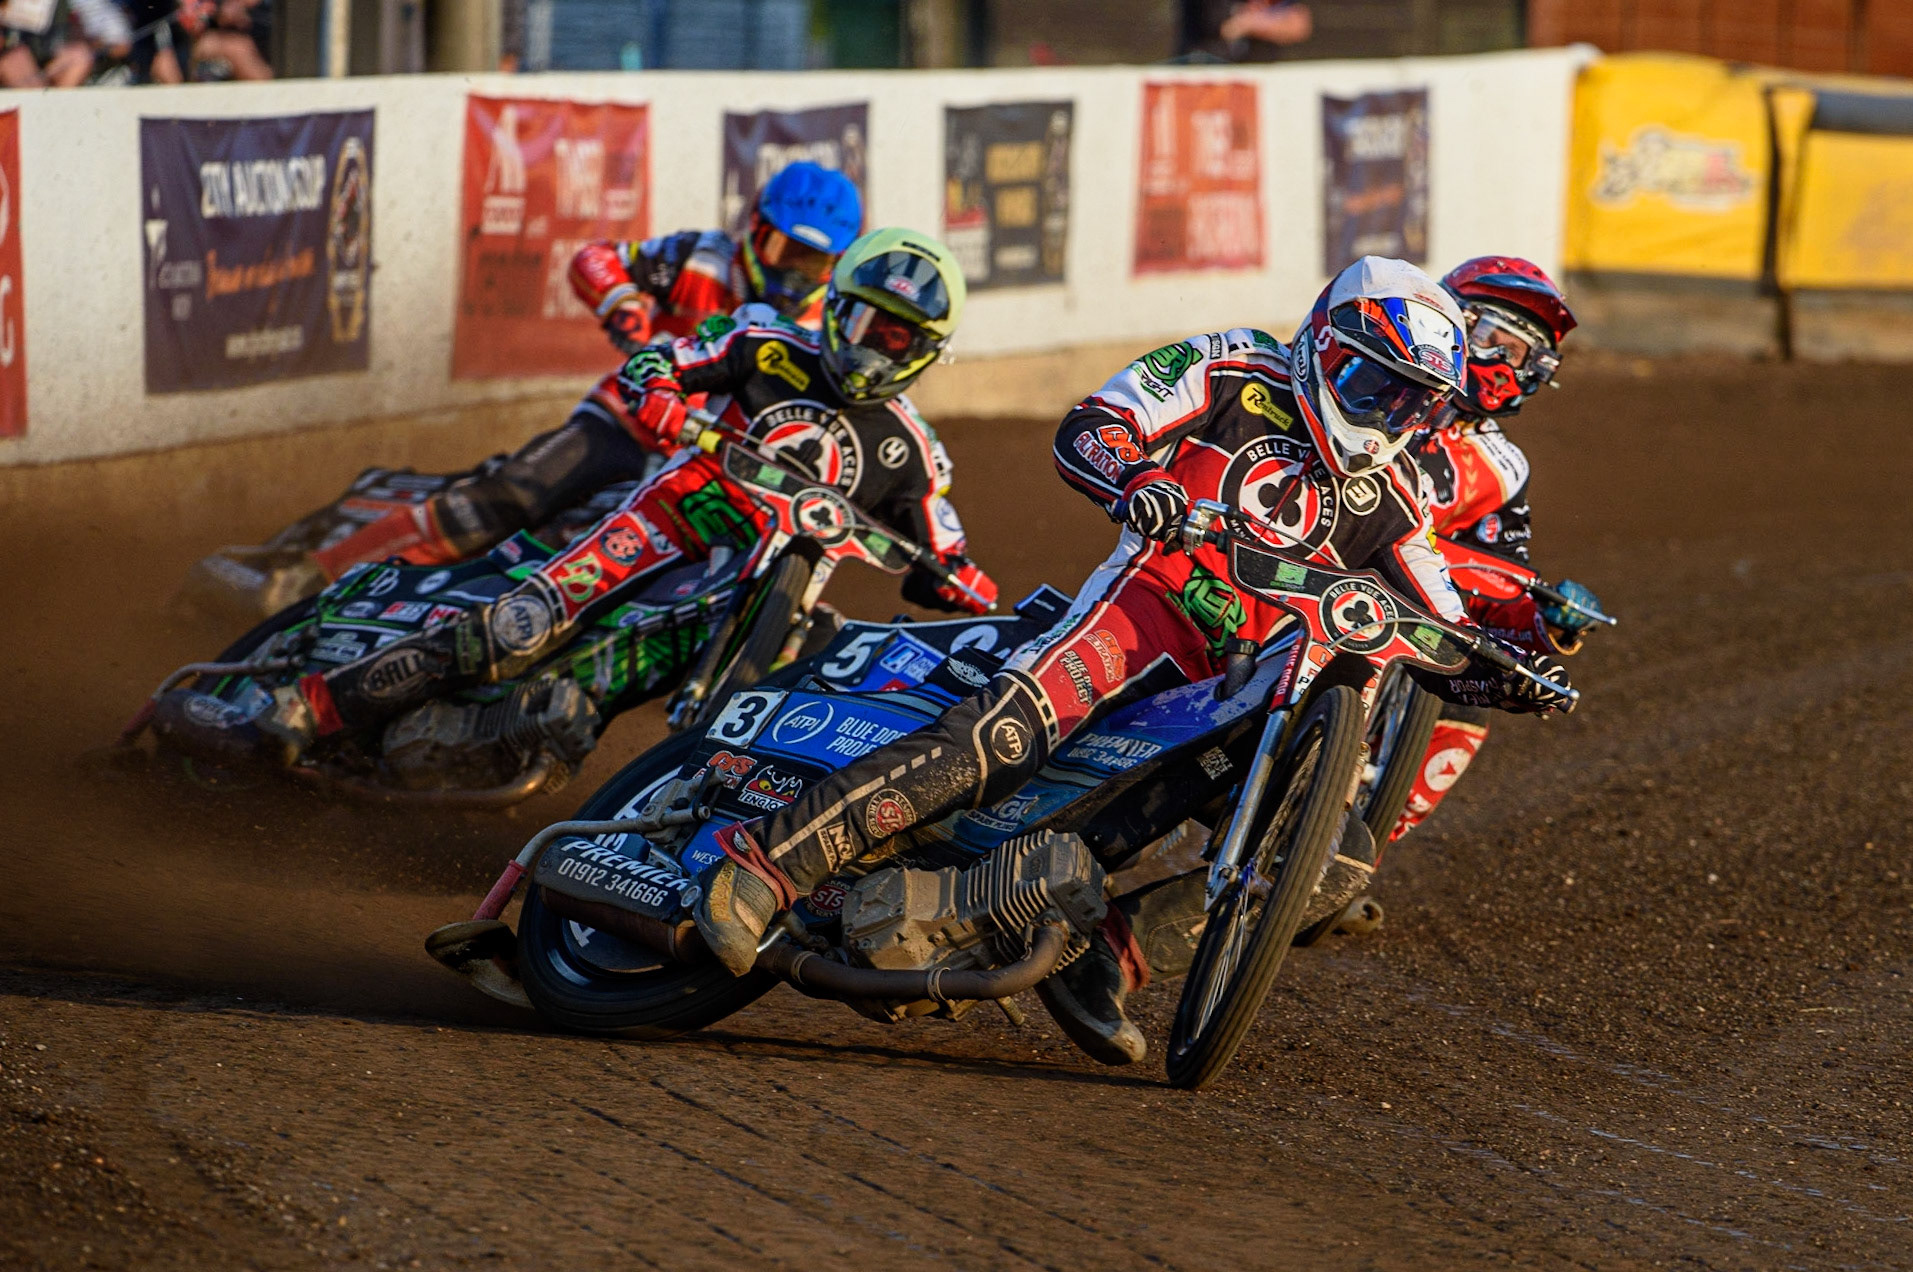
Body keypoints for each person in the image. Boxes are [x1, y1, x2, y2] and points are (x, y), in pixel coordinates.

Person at [686, 257, 1575, 1065]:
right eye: (1369, 382)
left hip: (1241, 686)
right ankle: (765, 866)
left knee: (1332, 861)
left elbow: (1439, 618)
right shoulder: (1235, 366)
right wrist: (1137, 479)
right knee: (1001, 739)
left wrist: (1506, 672)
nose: (1382, 413)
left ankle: (1106, 959)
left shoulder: (1396, 495)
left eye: (1409, 402)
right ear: (1322, 343)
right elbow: (1096, 423)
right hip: (1145, 610)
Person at [168, 228, 996, 765]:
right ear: (836, 308)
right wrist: (660, 393)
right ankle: (304, 709)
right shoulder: (765, 343)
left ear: (925, 350)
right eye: (862, 322)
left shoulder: (911, 451)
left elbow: (946, 550)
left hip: (754, 592)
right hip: (668, 517)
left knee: (657, 694)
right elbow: (661, 362)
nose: (869, 348)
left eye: (893, 337)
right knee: (518, 624)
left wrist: (963, 583)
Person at [292, 161, 864, 587]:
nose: (793, 274)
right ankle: (315, 577)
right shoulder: (702, 258)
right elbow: (596, 258)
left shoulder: (828, 330)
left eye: (812, 261)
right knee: (514, 496)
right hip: (628, 424)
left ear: (837, 264)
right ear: (755, 229)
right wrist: (621, 301)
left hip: (712, 468)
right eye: (783, 250)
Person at [1388, 255, 1604, 842]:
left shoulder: (1505, 468)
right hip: (1291, 569)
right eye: (1493, 340)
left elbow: (1500, 581)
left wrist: (1546, 620)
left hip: (1399, 607)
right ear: (1453, 321)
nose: (1505, 364)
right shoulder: (1376, 384)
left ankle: (1345, 859)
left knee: (1467, 703)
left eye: (1522, 355)